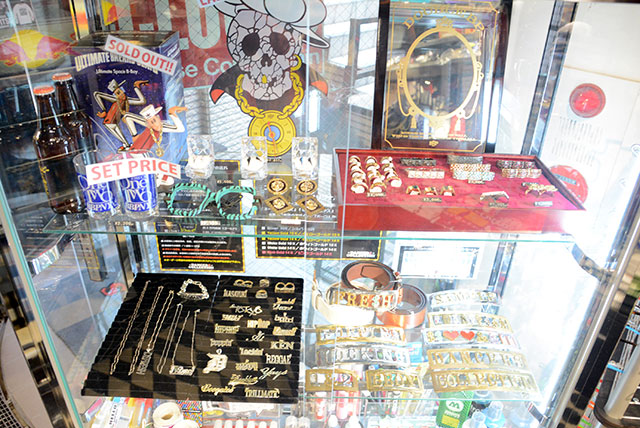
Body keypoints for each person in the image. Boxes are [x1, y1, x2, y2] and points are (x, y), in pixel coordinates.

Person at [94, 79, 147, 146]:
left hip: (115, 124)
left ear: (122, 90)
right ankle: (127, 145)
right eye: (117, 94)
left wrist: (136, 87)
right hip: (108, 123)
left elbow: (142, 101)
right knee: (123, 140)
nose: (121, 94)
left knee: (125, 140)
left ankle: (128, 144)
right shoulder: (115, 100)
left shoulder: (127, 100)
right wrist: (103, 110)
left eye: (120, 91)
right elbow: (97, 94)